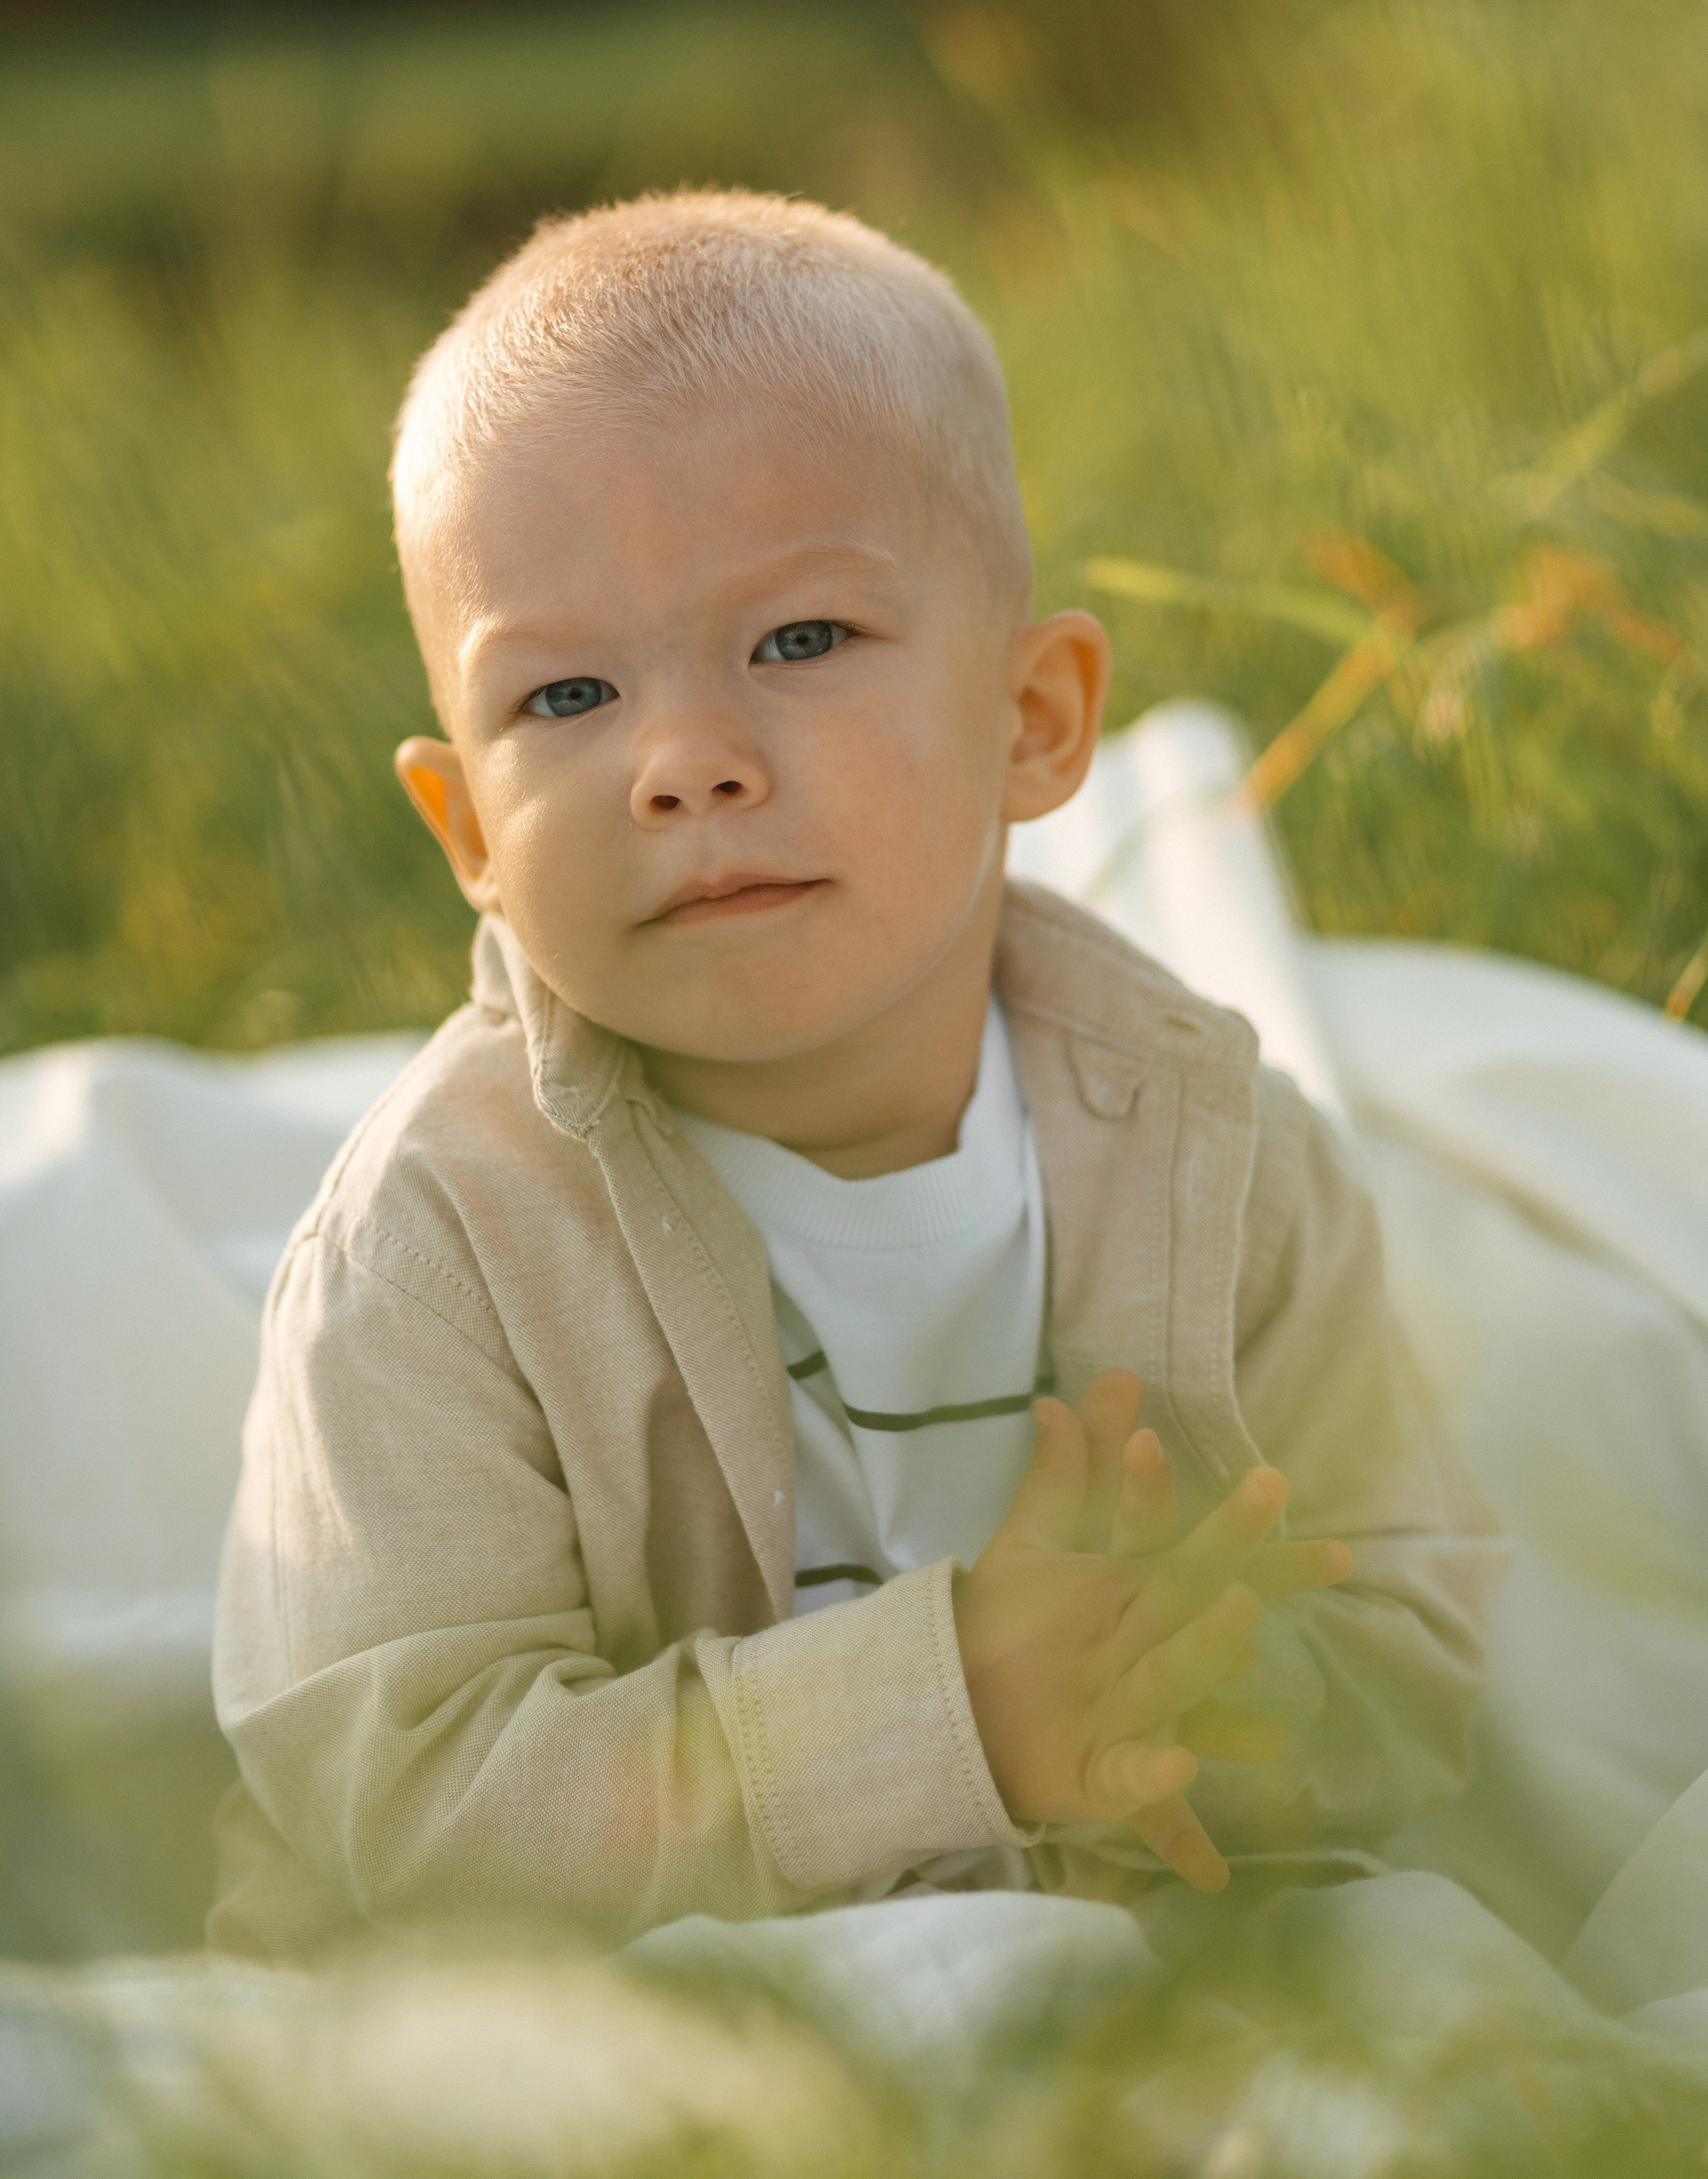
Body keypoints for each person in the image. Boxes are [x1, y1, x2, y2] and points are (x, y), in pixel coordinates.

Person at [209, 191, 1498, 1959]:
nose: (684, 761)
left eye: (799, 642)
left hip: (1150, 1962)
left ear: (1034, 722)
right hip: (686, 2015)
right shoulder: (440, 1247)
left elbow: (1415, 1637)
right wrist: (954, 1708)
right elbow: (398, 1791)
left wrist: (1177, 1699)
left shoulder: (1221, 1160)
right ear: (466, 833)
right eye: (567, 696)